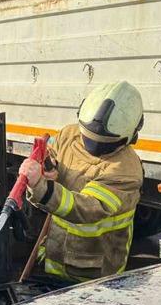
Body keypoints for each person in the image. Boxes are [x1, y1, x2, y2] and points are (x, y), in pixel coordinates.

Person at [20, 81, 145, 282]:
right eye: (88, 137)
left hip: (93, 275)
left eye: (104, 144)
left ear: (131, 136)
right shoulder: (69, 135)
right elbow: (54, 155)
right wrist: (48, 168)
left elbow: (86, 209)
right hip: (56, 257)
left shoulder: (125, 171)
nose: (92, 146)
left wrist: (40, 187)